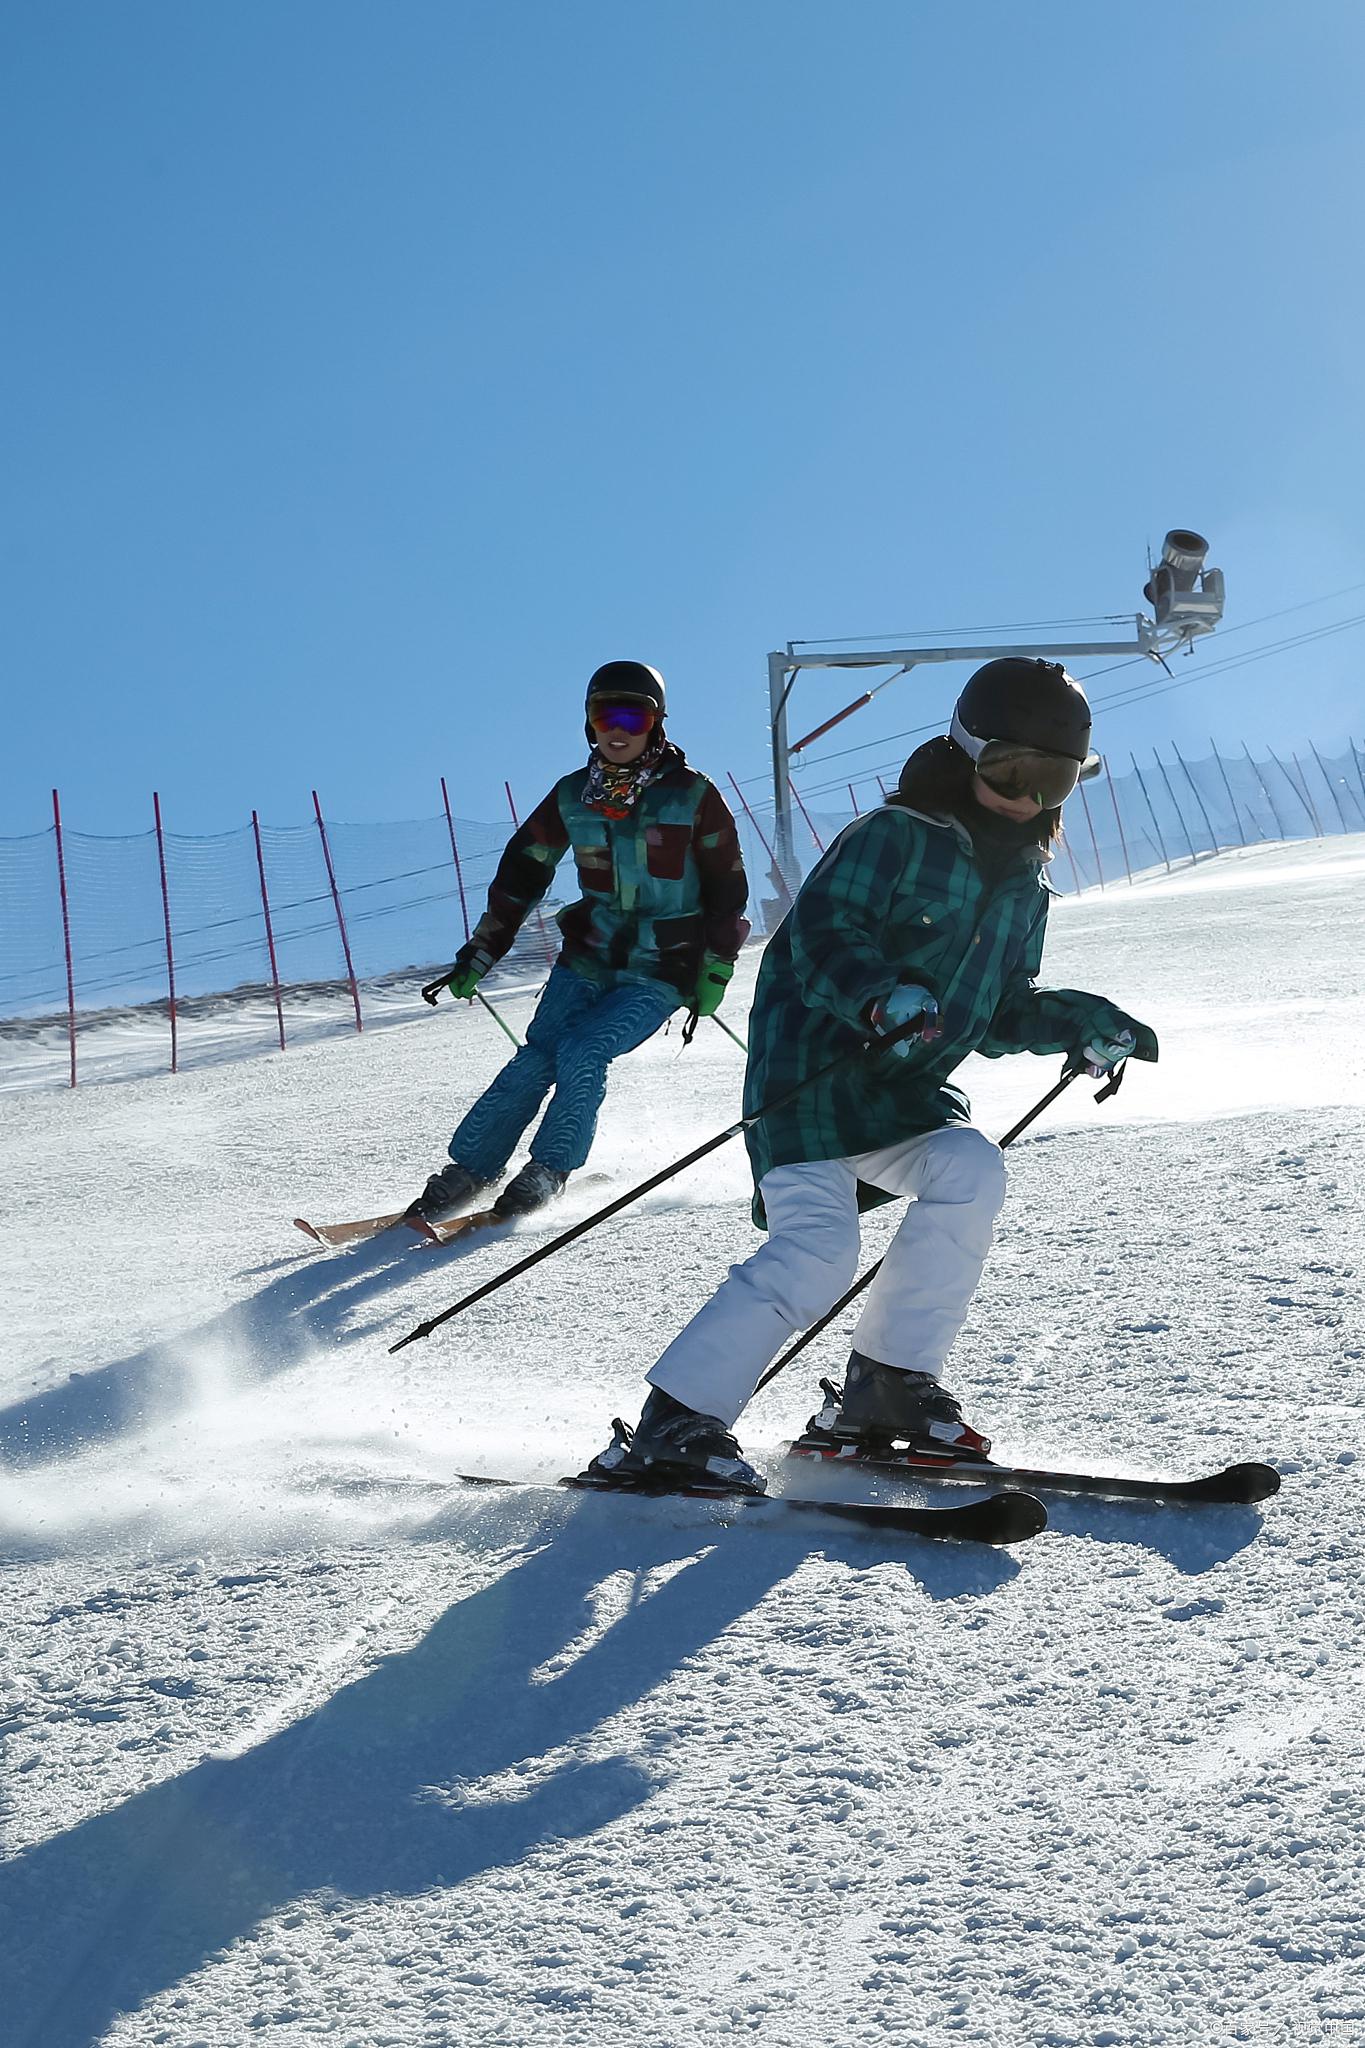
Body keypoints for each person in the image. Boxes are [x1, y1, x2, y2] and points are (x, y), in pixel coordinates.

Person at [588, 658, 1158, 1493]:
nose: (1029, 799)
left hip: (905, 1095)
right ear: (965, 754)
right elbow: (820, 938)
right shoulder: (892, 836)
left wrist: (1081, 1023)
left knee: (970, 1166)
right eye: (1012, 771)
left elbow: (998, 1011)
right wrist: (878, 994)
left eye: (1054, 781)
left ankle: (884, 1387)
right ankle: (675, 1420)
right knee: (819, 1248)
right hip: (813, 1080)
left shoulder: (1024, 889)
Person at [409, 661, 750, 1224]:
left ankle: (549, 1169)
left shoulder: (692, 795)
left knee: (584, 1048)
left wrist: (715, 966)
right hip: (589, 955)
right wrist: (483, 951)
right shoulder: (573, 796)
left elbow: (727, 884)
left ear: (656, 724)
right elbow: (523, 873)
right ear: (589, 724)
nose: (618, 729)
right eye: (604, 714)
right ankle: (471, 1168)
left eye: (633, 715)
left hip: (664, 966)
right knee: (536, 1055)